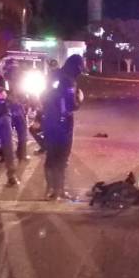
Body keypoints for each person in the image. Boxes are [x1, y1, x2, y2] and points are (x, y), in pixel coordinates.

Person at [42, 54, 85, 200]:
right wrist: (80, 100)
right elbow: (71, 104)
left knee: (51, 155)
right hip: (64, 122)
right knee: (61, 157)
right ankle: (58, 190)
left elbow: (43, 96)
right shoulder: (69, 80)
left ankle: (52, 190)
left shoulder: (53, 75)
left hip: (49, 120)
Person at [29, 59, 60, 155]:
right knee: (34, 129)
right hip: (44, 109)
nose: (51, 68)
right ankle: (45, 146)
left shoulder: (59, 79)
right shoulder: (48, 78)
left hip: (51, 111)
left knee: (41, 129)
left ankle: (48, 147)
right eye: (51, 66)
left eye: (52, 66)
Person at [4, 58, 30, 161]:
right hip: (12, 109)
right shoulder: (5, 79)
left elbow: (26, 93)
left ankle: (11, 155)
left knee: (8, 134)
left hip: (13, 109)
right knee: (20, 133)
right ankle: (20, 155)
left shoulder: (5, 78)